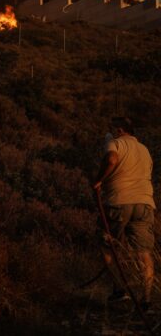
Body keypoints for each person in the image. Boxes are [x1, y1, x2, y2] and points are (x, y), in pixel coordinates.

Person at [92, 116, 155, 309]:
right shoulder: (145, 150)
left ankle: (119, 290)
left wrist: (98, 180)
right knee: (143, 252)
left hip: (119, 201)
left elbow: (111, 159)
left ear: (120, 130)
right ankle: (146, 299)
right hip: (145, 203)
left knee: (107, 244)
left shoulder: (115, 142)